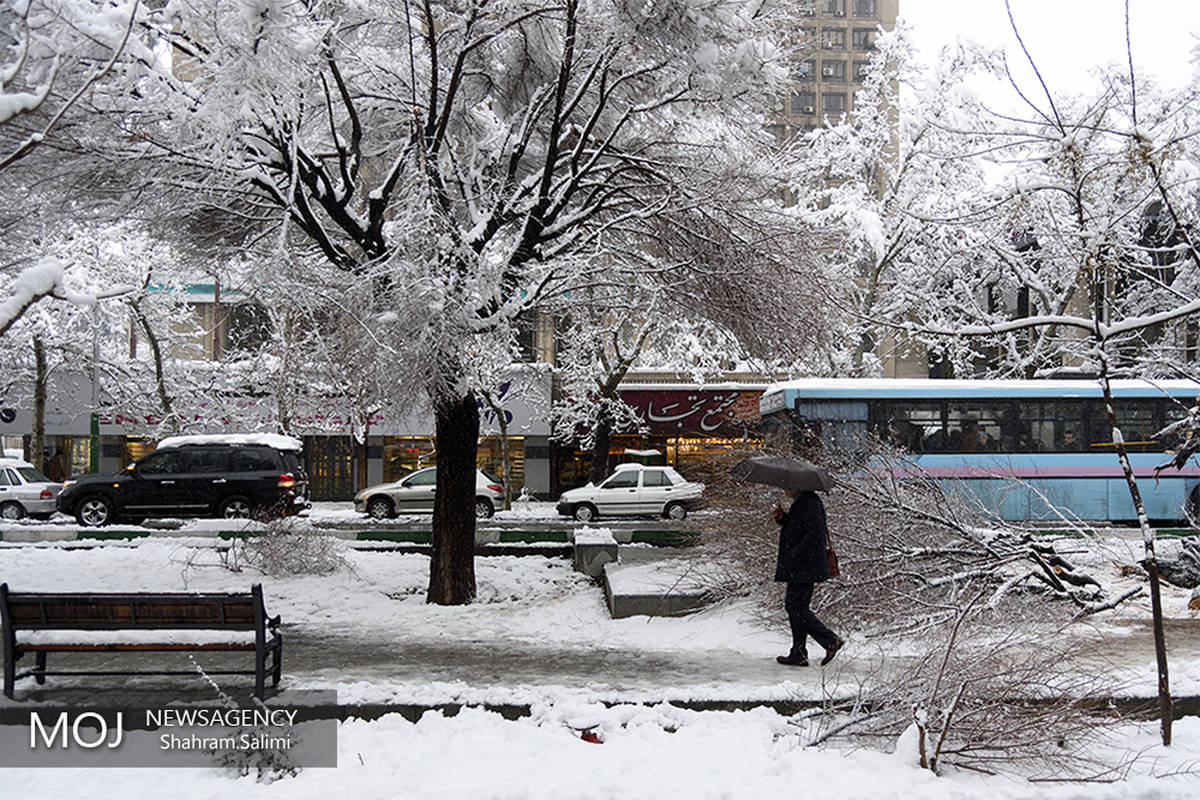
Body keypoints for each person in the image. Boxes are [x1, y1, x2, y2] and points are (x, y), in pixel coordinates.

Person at [773, 489, 844, 667]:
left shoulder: (810, 502)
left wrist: (794, 554)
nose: (786, 489)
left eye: (789, 486)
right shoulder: (802, 502)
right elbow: (798, 528)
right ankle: (798, 653)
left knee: (794, 606)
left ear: (799, 485)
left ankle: (830, 640)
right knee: (797, 607)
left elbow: (814, 534)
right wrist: (783, 518)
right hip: (801, 565)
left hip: (805, 565)